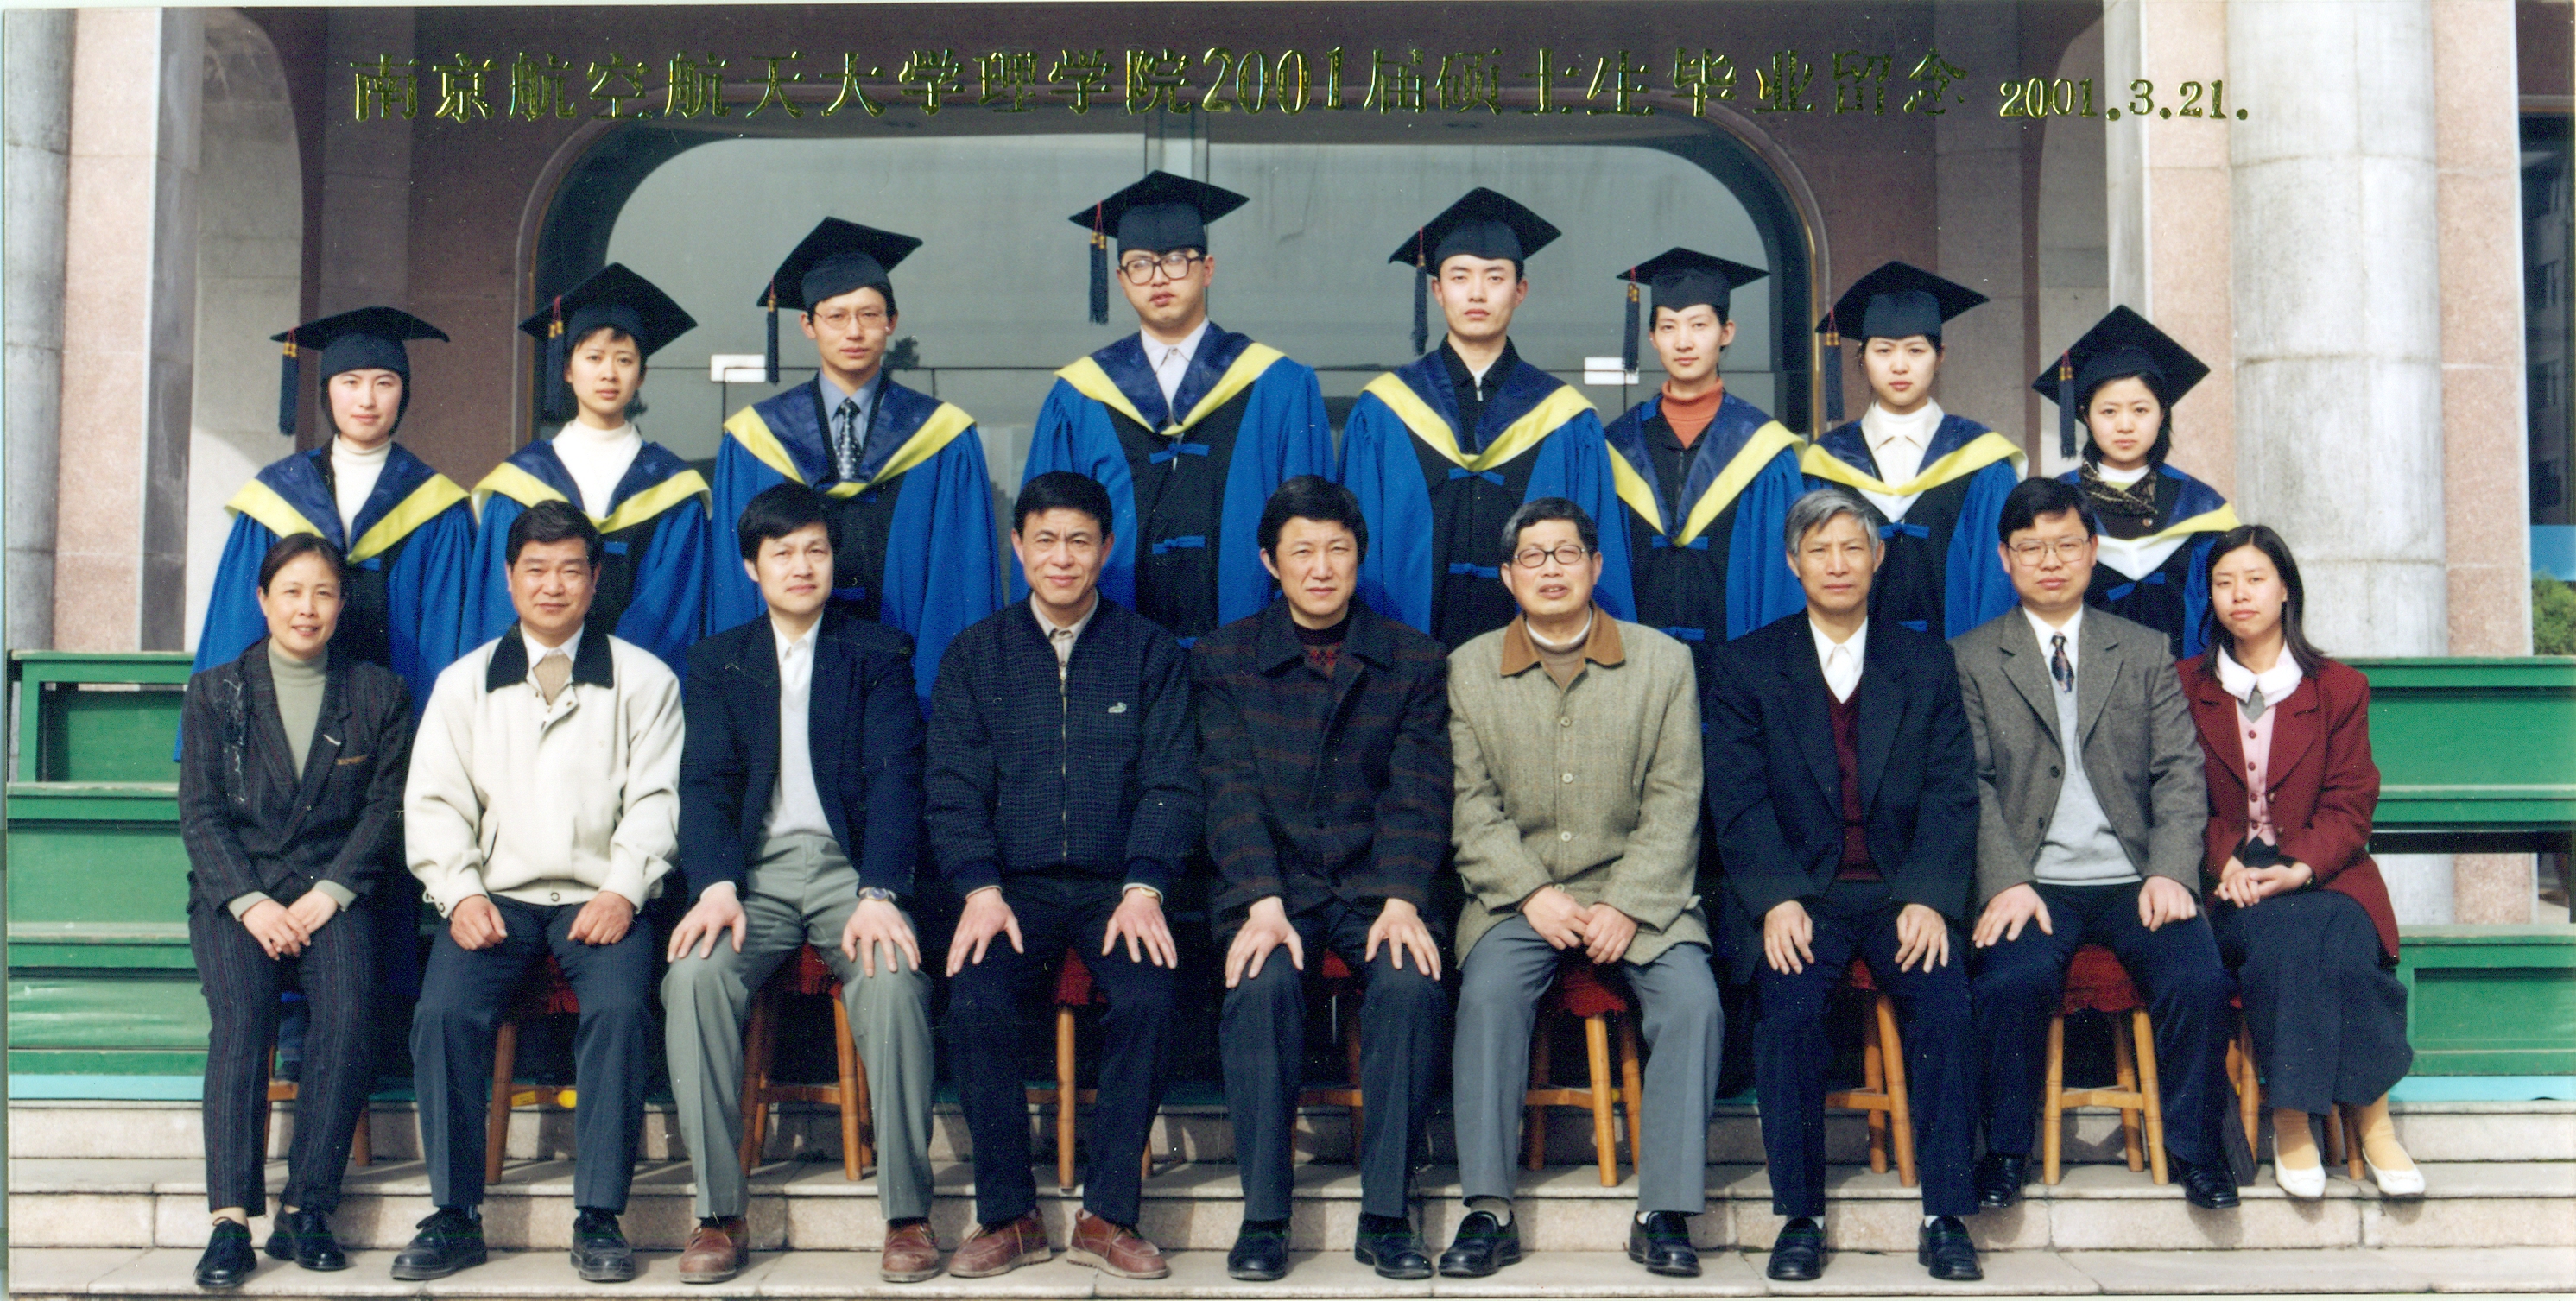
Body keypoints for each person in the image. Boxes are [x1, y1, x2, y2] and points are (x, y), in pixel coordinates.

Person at [396, 500, 683, 1284]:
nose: (552, 585)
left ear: (595, 579)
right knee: (442, 1013)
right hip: (498, 898)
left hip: (601, 896)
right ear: (508, 578)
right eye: (536, 569)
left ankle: (599, 1214)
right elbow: (434, 803)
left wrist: (624, 888)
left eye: (569, 570)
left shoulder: (645, 679)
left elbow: (657, 800)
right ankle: (454, 1212)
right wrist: (459, 893)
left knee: (620, 1010)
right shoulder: (463, 683)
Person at [662, 483, 942, 1284]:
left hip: (851, 873)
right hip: (753, 877)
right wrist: (715, 884)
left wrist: (881, 891)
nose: (801, 565)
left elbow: (897, 781)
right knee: (694, 977)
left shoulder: (877, 652)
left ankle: (907, 1214)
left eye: (815, 549)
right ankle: (719, 1212)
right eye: (781, 551)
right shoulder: (718, 659)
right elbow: (705, 785)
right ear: (752, 566)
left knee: (893, 979)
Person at [1701, 489, 1982, 1284]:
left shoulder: (1924, 661)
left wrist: (1928, 894)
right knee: (1788, 1012)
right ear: (1792, 563)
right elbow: (1738, 797)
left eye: (1851, 547)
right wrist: (1775, 897)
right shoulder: (1748, 664)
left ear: (1878, 556)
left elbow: (1951, 791)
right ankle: (1800, 1214)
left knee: (1945, 1005)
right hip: (1801, 892)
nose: (1836, 563)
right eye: (1818, 549)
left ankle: (1946, 1214)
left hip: (1899, 889)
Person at [927, 471, 1201, 1281]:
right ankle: (1009, 1214)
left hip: (1118, 887)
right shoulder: (976, 653)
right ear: (1017, 546)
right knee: (975, 997)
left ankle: (1108, 1214)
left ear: (1106, 548)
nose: (1061, 557)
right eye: (1044, 539)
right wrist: (978, 886)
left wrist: (1145, 883)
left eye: (1079, 540)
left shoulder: (1148, 651)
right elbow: (951, 785)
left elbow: (1172, 780)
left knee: (1150, 995)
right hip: (1010, 889)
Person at [1440, 499, 1716, 1279]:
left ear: (1596, 566)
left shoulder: (1662, 663)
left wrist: (1627, 901)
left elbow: (1675, 798)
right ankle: (1487, 1208)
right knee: (1488, 995)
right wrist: (1530, 892)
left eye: (1567, 553)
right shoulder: (1467, 668)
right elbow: (1470, 805)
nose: (1551, 569)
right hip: (1517, 897)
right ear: (1507, 575)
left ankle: (1663, 1210)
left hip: (1639, 893)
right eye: (1532, 556)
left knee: (1692, 1001)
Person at [1952, 477, 2239, 1212]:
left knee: (2197, 977)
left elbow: (2179, 771)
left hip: (2133, 876)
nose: (2049, 561)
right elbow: (1969, 782)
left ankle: (2197, 1153)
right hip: (2032, 879)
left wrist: (2170, 870)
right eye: (2030, 548)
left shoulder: (2141, 649)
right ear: (2004, 558)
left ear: (2091, 551)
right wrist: (2004, 878)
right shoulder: (1972, 657)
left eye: (2065, 545)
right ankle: (2004, 1152)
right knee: (2008, 981)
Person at [1192, 477, 1453, 1283]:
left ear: (1358, 557)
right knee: (1261, 982)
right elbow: (1228, 791)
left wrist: (1403, 897)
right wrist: (1260, 900)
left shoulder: (1413, 658)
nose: (1320, 566)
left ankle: (1388, 1214)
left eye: (1337, 549)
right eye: (1301, 550)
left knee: (1409, 982)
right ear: (1270, 561)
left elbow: (1419, 792)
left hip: (1375, 884)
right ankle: (1265, 1215)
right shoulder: (1223, 658)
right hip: (1271, 886)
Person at [179, 535, 414, 1290]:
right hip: (237, 895)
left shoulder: (378, 692)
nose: (306, 607)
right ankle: (229, 1221)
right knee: (243, 1020)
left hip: (331, 893)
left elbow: (385, 809)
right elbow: (202, 814)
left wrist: (329, 892)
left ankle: (307, 1206)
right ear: (263, 599)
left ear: (342, 604)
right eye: (291, 590)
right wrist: (250, 902)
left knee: (347, 1013)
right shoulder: (215, 691)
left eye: (323, 592)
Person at [2180, 524, 2419, 1198]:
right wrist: (2223, 860)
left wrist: (2300, 867)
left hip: (2323, 871)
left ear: (2284, 589)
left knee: (2338, 932)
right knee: (2286, 937)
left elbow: (2350, 800)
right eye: (2223, 582)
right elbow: (2173, 795)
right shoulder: (2182, 685)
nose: (2239, 594)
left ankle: (2369, 1122)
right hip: (2231, 882)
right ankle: (2296, 1123)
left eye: (2254, 579)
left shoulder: (2339, 687)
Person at [1021, 172, 1330, 646]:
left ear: (1208, 269)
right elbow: (1046, 536)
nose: (1159, 277)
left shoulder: (1279, 386)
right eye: (1140, 264)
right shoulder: (1080, 395)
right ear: (1121, 280)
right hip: (1109, 653)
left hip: (1250, 656)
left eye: (1176, 261)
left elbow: (1314, 533)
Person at [712, 219, 1003, 704]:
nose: (854, 331)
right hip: (785, 687)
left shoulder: (941, 435)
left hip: (905, 688)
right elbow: (735, 583)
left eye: (869, 315)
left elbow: (958, 582)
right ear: (808, 325)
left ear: (892, 322)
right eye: (836, 316)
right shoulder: (756, 437)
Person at [1342, 189, 1635, 649]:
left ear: (1520, 291)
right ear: (1437, 290)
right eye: (1460, 277)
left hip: (1539, 665)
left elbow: (1600, 562)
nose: (1477, 293)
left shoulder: (1565, 419)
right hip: (1405, 664)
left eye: (1495, 277)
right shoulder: (1383, 411)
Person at [192, 306, 472, 715]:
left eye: (385, 383)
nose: (367, 400)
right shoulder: (278, 494)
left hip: (397, 726)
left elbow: (444, 645)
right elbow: (237, 628)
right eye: (350, 382)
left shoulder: (437, 507)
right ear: (328, 391)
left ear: (404, 394)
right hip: (283, 717)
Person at [467, 264, 710, 679]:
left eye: (624, 360)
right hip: (534, 686)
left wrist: (613, 679)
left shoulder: (672, 488)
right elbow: (498, 607)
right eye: (593, 358)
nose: (608, 373)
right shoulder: (520, 483)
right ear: (567, 369)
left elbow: (672, 609)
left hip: (636, 688)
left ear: (642, 374)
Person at [1801, 262, 2022, 639]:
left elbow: (1995, 588)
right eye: (1883, 350)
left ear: (1940, 356)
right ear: (1861, 357)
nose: (1900, 366)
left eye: (1916, 350)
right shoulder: (1826, 462)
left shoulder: (1982, 461)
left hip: (1956, 662)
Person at [1601, 248, 1807, 649]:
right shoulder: (1617, 445)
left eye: (1699, 325)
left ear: (1726, 332)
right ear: (1651, 337)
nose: (1683, 342)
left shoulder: (1764, 449)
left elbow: (1779, 583)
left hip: (1735, 665)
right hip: (1641, 664)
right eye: (1668, 327)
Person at [2038, 307, 2241, 660]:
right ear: (2085, 416)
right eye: (2109, 411)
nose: (2125, 425)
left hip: (2184, 680)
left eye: (2140, 410)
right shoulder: (2055, 504)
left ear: (2162, 414)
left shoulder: (2200, 507)